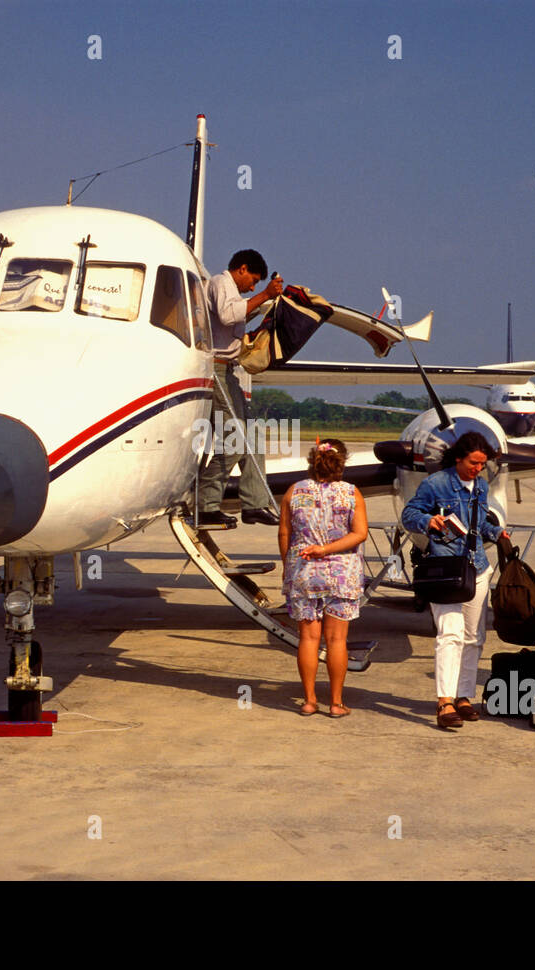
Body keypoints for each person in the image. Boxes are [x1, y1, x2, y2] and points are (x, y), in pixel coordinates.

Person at [401, 432, 509, 729]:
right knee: (450, 634)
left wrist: (496, 532)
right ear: (459, 458)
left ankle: (464, 696)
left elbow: (481, 522)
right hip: (445, 568)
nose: (478, 469)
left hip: (477, 568)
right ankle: (444, 701)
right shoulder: (436, 484)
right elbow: (409, 513)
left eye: (483, 464)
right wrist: (428, 521)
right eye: (473, 463)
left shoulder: (482, 487)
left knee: (474, 637)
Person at [278, 439, 367, 717]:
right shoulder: (352, 493)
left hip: (304, 572)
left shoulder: (294, 492)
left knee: (308, 638)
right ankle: (336, 703)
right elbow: (359, 533)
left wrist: (288, 565)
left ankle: (309, 700)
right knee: (337, 641)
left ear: (311, 462)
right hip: (342, 574)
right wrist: (327, 549)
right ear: (341, 463)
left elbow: (284, 533)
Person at [196, 250, 285, 527]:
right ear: (242, 269)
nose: (253, 287)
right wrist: (265, 295)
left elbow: (239, 311)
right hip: (216, 370)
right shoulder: (221, 283)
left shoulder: (233, 292)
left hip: (229, 371)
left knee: (252, 436)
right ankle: (204, 505)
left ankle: (254, 504)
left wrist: (268, 300)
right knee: (234, 440)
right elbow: (226, 315)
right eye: (254, 280)